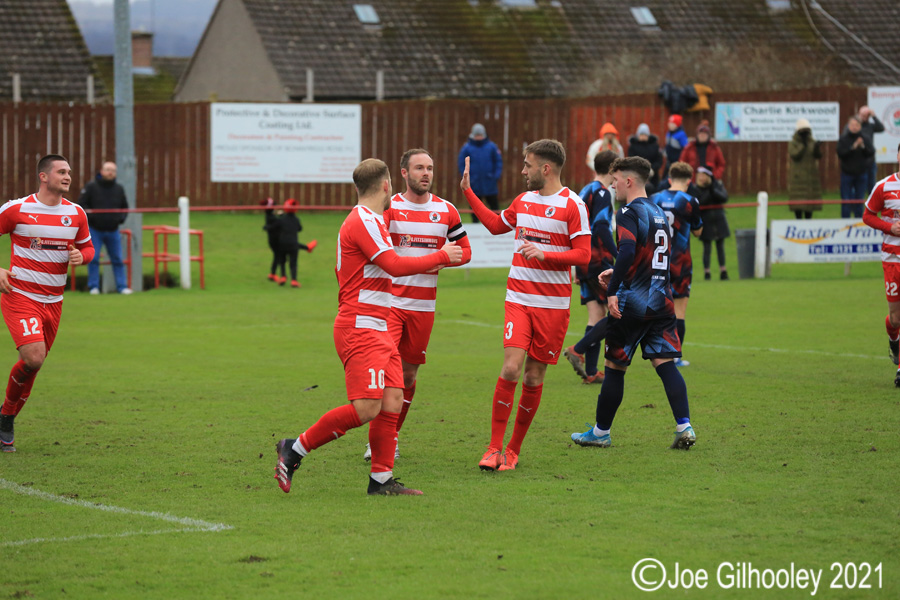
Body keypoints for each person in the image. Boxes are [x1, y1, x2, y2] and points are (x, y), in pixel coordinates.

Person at [273, 158, 463, 496]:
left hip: (376, 324)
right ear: (387, 185)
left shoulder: (371, 219)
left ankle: (381, 481)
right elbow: (392, 264)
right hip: (360, 327)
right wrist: (441, 256)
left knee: (392, 398)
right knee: (366, 408)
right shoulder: (362, 220)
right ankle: (294, 448)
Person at [461, 139, 590, 472]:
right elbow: (494, 225)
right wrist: (469, 193)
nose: (522, 171)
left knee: (533, 377)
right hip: (518, 299)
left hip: (553, 306)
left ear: (545, 169)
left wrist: (546, 254)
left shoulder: (573, 205)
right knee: (511, 368)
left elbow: (584, 255)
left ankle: (513, 451)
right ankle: (493, 448)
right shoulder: (523, 201)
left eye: (527, 165)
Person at [570, 156, 695, 451]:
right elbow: (645, 255)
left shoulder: (628, 211)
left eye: (615, 180)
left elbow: (626, 250)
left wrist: (613, 289)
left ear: (628, 181)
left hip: (633, 302)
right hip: (661, 300)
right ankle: (684, 425)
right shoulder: (658, 212)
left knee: (614, 366)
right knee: (665, 363)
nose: (612, 185)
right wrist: (621, 270)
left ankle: (600, 433)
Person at [361, 148, 472, 461]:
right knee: (388, 373)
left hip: (424, 308)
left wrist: (443, 262)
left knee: (408, 377)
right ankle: (378, 441)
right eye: (420, 168)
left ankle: (392, 434)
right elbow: (378, 250)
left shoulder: (447, 210)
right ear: (404, 174)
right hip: (391, 304)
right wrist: (430, 258)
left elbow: (465, 251)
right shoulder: (391, 208)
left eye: (430, 168)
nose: (426, 174)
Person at [0, 155, 95, 452]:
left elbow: (87, 247)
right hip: (21, 296)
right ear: (44, 176)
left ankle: (5, 418)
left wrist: (84, 257)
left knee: (33, 367)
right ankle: (6, 419)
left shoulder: (76, 213)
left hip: (54, 301)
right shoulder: (17, 209)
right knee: (34, 358)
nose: (68, 176)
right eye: (61, 171)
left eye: (69, 172)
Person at [564, 150, 618, 384]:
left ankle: (592, 371)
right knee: (618, 313)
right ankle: (578, 349)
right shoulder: (603, 193)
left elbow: (574, 230)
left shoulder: (584, 191)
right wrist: (620, 256)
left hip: (584, 261)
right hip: (599, 261)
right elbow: (602, 226)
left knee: (596, 315)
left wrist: (576, 265)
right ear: (613, 169)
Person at [651, 161, 703, 367]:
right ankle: (675, 356)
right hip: (680, 262)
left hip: (657, 261)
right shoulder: (690, 200)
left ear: (670, 179)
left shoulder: (655, 198)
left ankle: (655, 350)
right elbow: (698, 232)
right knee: (679, 311)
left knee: (657, 308)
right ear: (689, 181)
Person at [861, 143, 900, 387]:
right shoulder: (884, 186)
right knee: (896, 318)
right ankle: (893, 339)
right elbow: (867, 216)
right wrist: (890, 228)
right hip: (892, 259)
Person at [77, 161, 131, 295]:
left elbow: (125, 207)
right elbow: (82, 205)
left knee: (117, 259)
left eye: (113, 170)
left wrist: (121, 219)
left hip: (113, 230)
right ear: (101, 171)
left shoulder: (119, 188)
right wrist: (92, 218)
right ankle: (94, 287)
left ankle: (122, 286)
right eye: (107, 169)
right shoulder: (91, 187)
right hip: (95, 230)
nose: (110, 172)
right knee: (93, 258)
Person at [265, 198, 317, 287]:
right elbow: (300, 228)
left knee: (282, 261)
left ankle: (283, 277)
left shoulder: (281, 219)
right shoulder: (296, 219)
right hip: (293, 244)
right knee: (293, 262)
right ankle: (294, 280)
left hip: (282, 244)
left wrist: (268, 226)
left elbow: (272, 227)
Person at [457, 123, 503, 222]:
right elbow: (461, 164)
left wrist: (495, 176)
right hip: (474, 183)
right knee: (475, 208)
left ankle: (499, 225)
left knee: (494, 207)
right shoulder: (466, 148)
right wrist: (467, 178)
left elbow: (498, 162)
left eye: (480, 135)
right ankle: (475, 226)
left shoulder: (492, 147)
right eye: (477, 135)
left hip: (490, 183)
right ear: (473, 135)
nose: (479, 137)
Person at [695, 165, 730, 280]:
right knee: (707, 247)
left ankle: (723, 271)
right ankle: (707, 273)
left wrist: (712, 189)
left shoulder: (717, 185)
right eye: (699, 175)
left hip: (719, 219)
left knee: (720, 246)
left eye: (703, 175)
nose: (700, 177)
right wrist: (708, 191)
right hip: (706, 220)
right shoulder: (696, 189)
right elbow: (700, 202)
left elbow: (724, 198)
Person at [837, 115, 875, 219]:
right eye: (852, 125)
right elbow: (840, 153)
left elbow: (871, 152)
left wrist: (862, 146)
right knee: (846, 200)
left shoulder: (864, 138)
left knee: (860, 200)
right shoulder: (844, 139)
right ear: (848, 126)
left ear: (860, 126)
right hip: (847, 174)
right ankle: (844, 222)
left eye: (857, 125)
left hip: (861, 174)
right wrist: (852, 148)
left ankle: (858, 222)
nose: (854, 127)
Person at [788, 119, 823, 219]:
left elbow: (818, 156)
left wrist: (817, 147)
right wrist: (802, 145)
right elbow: (794, 155)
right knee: (798, 202)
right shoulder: (793, 143)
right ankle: (798, 219)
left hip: (811, 176)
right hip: (798, 176)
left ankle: (808, 220)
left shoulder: (811, 142)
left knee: (810, 201)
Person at [627, 123, 664, 194]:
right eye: (641, 134)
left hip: (653, 176)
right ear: (638, 135)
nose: (643, 137)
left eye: (645, 135)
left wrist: (652, 169)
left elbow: (659, 160)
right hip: (637, 174)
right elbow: (631, 159)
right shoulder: (633, 146)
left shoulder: (655, 146)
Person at [859, 105, 885, 195]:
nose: (864, 117)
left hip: (870, 161)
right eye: (862, 115)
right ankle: (859, 208)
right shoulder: (856, 126)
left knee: (872, 187)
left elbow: (881, 128)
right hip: (859, 161)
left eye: (866, 115)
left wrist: (873, 115)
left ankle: (872, 206)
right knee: (860, 188)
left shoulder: (870, 126)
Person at [663, 115, 689, 181]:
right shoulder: (669, 133)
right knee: (664, 178)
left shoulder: (681, 135)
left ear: (677, 125)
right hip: (669, 161)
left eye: (672, 123)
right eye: (669, 123)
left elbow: (686, 149)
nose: (670, 125)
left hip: (677, 161)